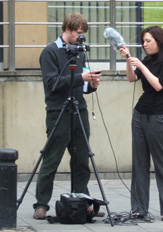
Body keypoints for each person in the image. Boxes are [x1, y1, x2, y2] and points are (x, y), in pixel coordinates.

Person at [33, 13, 105, 219]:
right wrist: (79, 77)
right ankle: (41, 204)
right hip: (58, 111)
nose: (81, 39)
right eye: (79, 34)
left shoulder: (79, 52)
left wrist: (90, 84)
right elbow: (53, 83)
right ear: (68, 29)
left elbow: (80, 86)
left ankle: (82, 200)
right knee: (52, 158)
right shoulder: (50, 52)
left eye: (83, 35)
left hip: (78, 110)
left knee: (82, 158)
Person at [119, 26, 163, 221]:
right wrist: (129, 61)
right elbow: (132, 78)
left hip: (158, 116)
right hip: (140, 114)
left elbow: (159, 85)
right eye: (143, 41)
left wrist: (142, 67)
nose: (144, 45)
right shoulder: (145, 60)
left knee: (162, 162)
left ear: (159, 41)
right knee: (139, 163)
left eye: (148, 41)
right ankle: (138, 208)